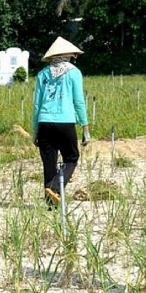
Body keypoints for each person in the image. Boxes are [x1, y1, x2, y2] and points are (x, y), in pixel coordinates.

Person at [32, 36, 89, 207]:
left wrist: (35, 130)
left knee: (49, 163)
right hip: (65, 122)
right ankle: (55, 188)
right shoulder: (73, 73)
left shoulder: (42, 74)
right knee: (71, 157)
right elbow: (78, 101)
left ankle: (51, 205)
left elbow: (37, 104)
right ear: (69, 55)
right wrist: (85, 128)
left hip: (44, 122)